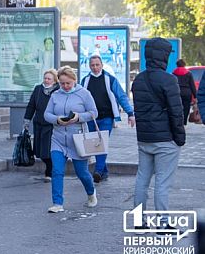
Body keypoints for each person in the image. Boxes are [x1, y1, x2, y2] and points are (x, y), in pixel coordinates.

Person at [131, 37, 185, 233]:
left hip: (144, 139)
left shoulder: (138, 79)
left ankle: (139, 221)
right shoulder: (169, 79)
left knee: (142, 180)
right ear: (163, 56)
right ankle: (163, 224)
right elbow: (176, 112)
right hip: (165, 140)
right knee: (162, 183)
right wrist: (180, 138)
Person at [44, 66, 98, 213]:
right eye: (62, 83)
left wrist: (78, 117)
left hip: (78, 138)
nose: (65, 86)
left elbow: (94, 112)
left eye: (68, 83)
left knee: (82, 172)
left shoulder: (84, 94)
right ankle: (57, 203)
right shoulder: (55, 95)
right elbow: (46, 114)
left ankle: (91, 193)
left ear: (74, 80)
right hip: (58, 139)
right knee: (57, 170)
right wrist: (57, 120)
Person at [80, 55, 135, 183]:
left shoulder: (110, 80)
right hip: (90, 118)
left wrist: (130, 113)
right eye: (92, 65)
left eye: (97, 65)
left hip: (106, 118)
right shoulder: (85, 81)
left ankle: (98, 171)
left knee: (101, 143)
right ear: (89, 66)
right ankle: (104, 172)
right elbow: (79, 98)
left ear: (102, 65)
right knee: (94, 145)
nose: (95, 67)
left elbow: (121, 97)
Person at [23, 69, 60, 182]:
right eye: (45, 78)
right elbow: (31, 105)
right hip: (38, 123)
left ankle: (49, 172)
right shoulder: (38, 89)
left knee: (47, 150)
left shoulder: (58, 91)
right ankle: (51, 169)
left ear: (54, 81)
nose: (46, 80)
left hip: (51, 125)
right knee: (39, 151)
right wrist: (27, 120)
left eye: (49, 78)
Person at [172, 59, 197, 125]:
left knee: (177, 107)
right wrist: (195, 96)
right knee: (186, 107)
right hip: (187, 93)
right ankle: (184, 121)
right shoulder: (188, 73)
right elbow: (192, 85)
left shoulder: (173, 73)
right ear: (184, 64)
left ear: (177, 65)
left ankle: (178, 121)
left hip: (177, 93)